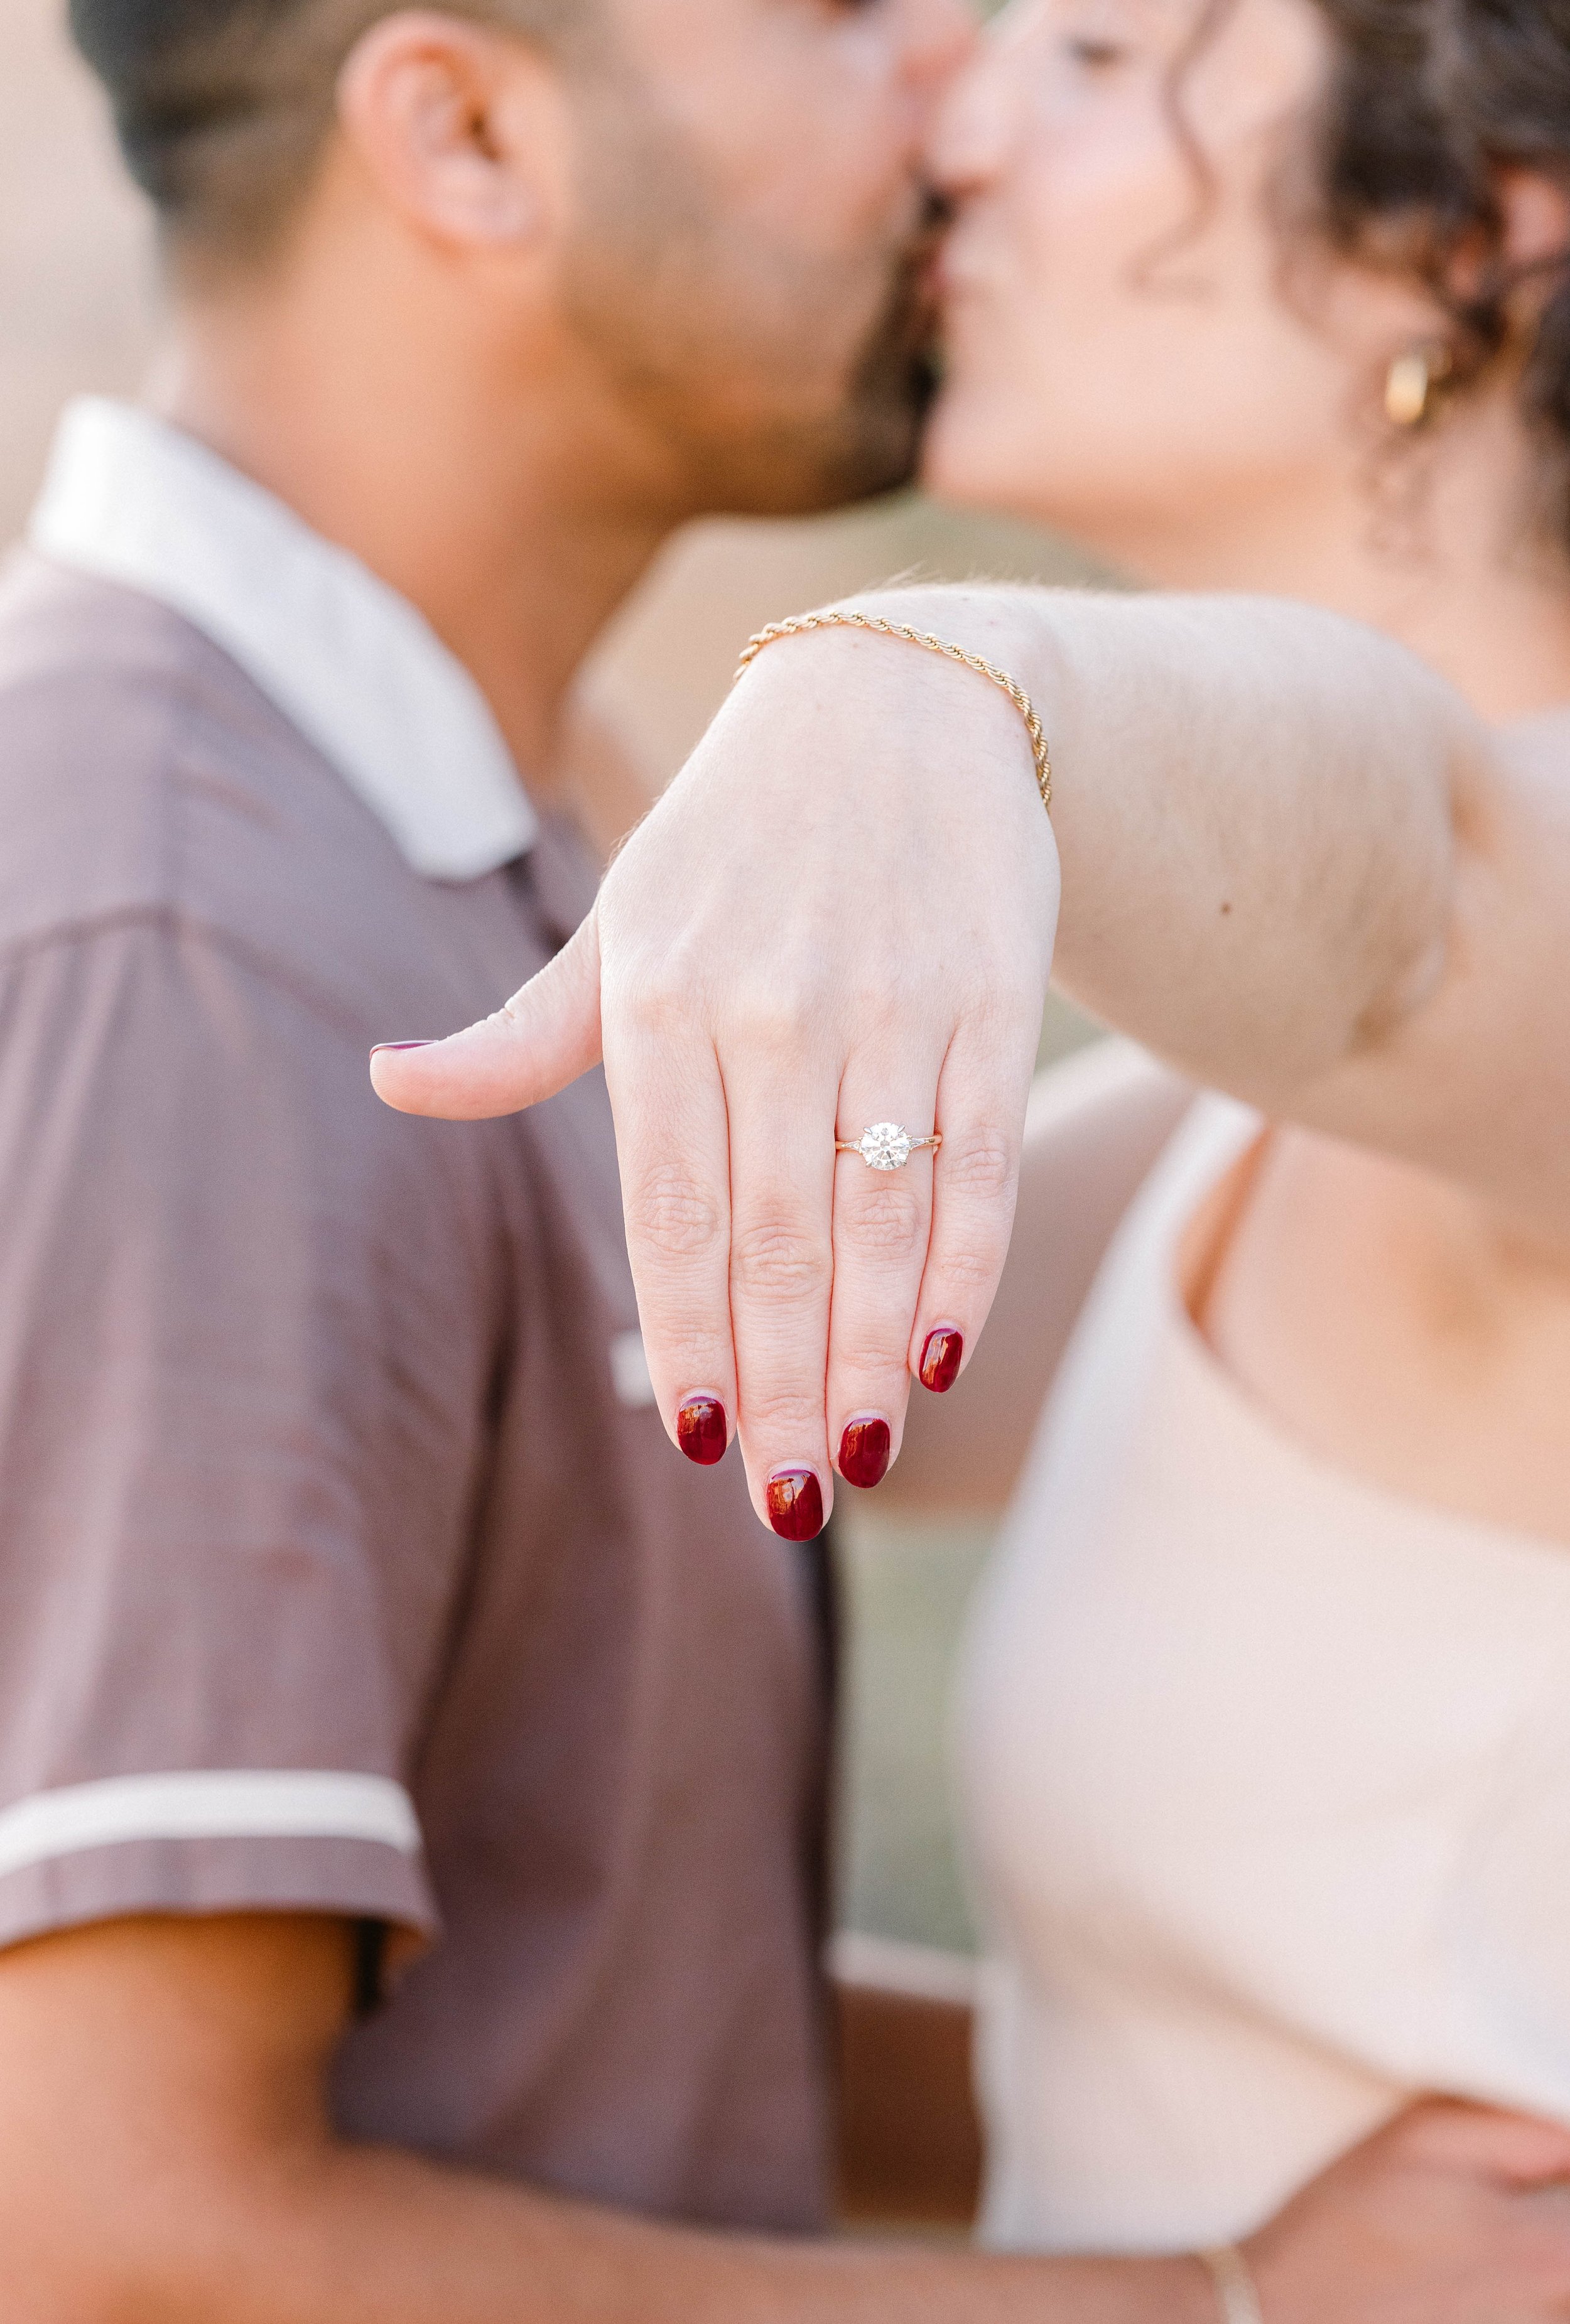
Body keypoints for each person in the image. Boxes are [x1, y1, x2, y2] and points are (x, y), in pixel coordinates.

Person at [10, 0, 1563, 2319]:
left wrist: (922, 691)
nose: (954, 90)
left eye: (1104, 56)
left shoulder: (1433, 991)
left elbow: (1428, 887)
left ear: (1475, 243)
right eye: (846, 13)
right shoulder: (182, 907)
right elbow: (122, 2209)